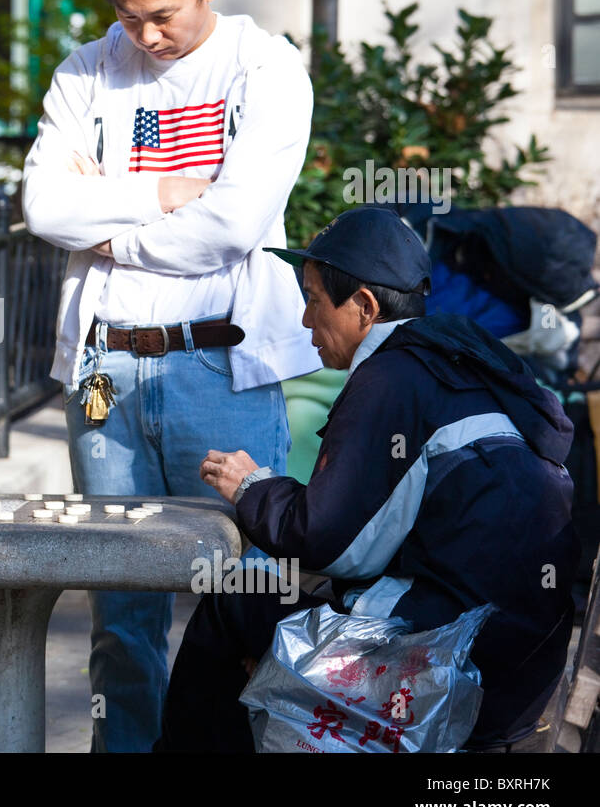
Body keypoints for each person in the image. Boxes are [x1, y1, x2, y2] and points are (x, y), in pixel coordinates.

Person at [21, 0, 321, 751]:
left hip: (219, 372)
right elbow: (44, 205)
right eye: (128, 17)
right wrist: (161, 192)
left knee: (247, 599)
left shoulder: (265, 69)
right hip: (103, 375)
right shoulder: (85, 72)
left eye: (164, 14)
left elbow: (233, 224)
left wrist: (107, 216)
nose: (146, 35)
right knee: (121, 615)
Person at [163, 206, 579, 752]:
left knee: (235, 600)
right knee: (276, 611)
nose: (306, 320)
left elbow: (329, 544)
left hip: (457, 667)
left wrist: (252, 485)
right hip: (519, 665)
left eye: (313, 300)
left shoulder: (390, 377)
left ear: (364, 305)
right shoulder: (455, 362)